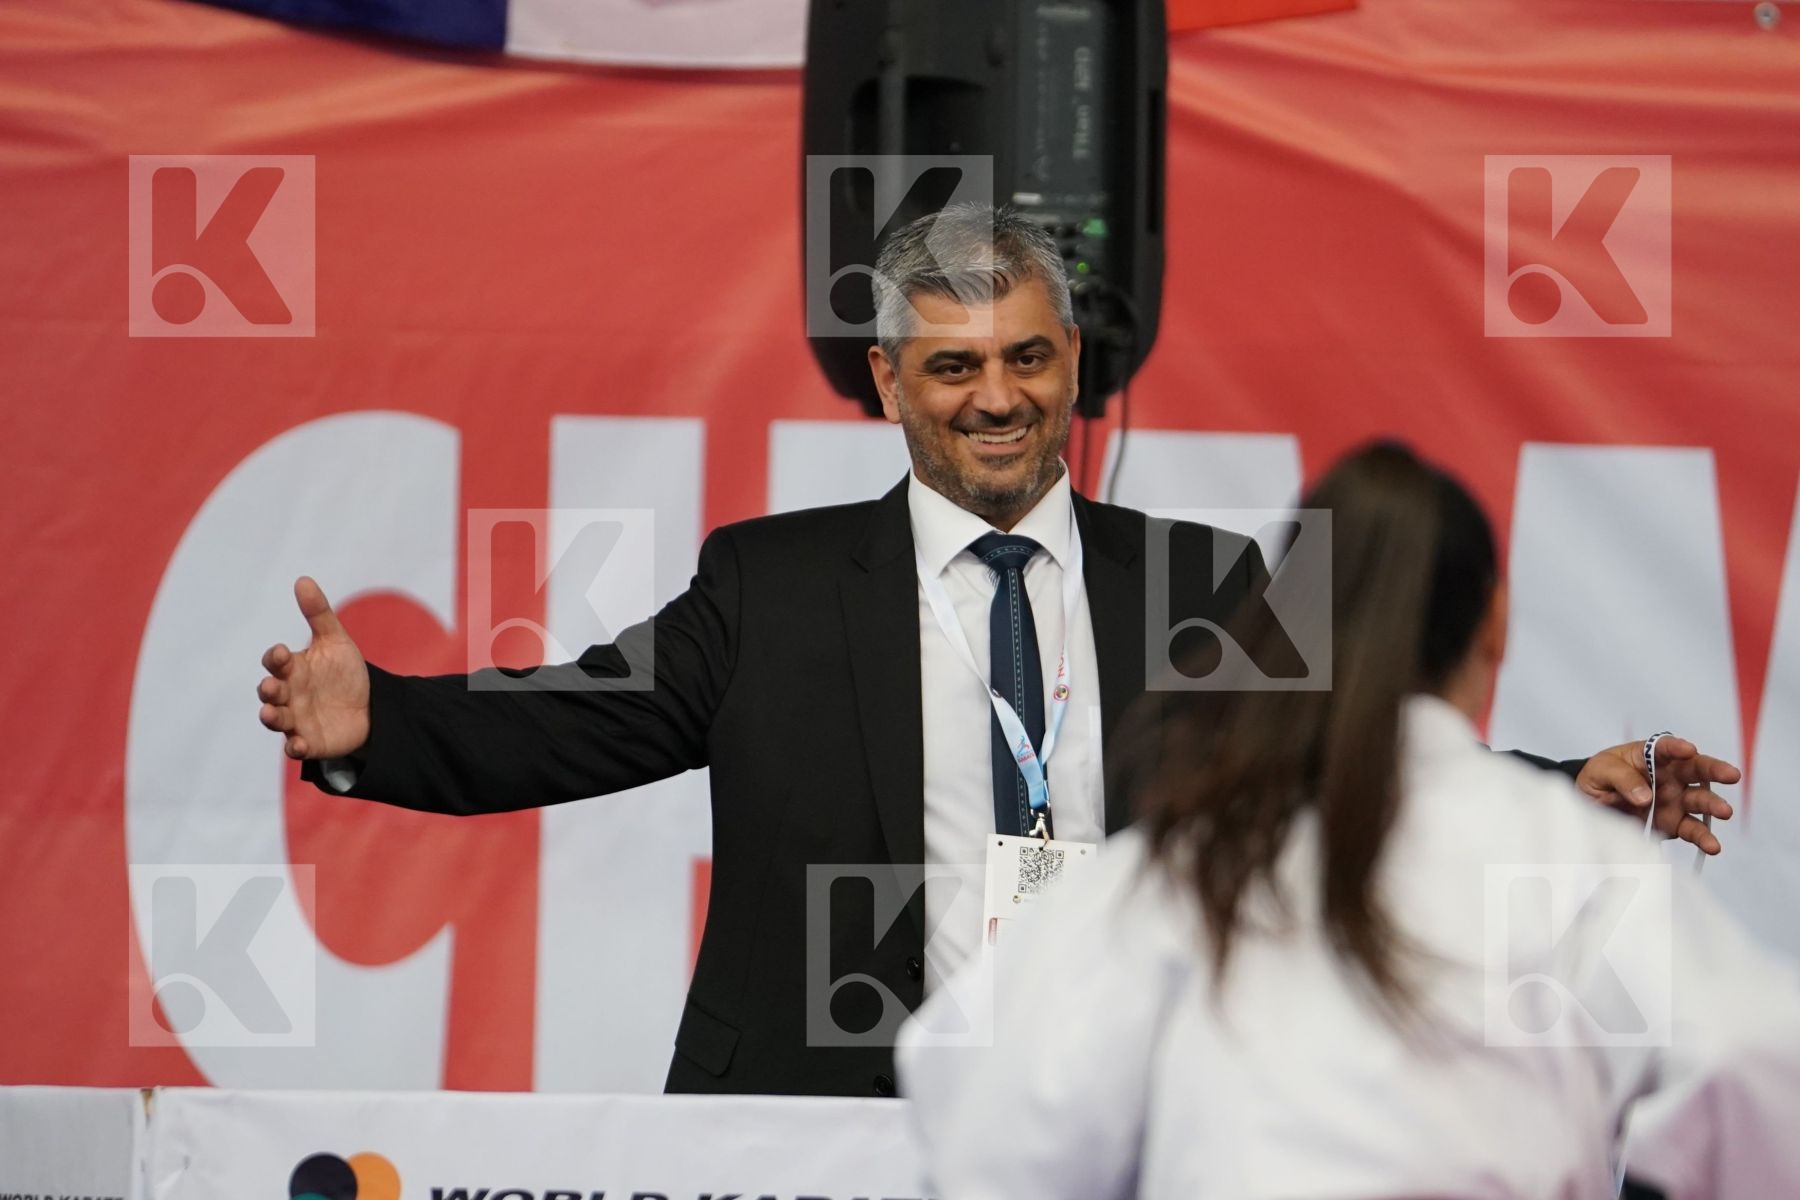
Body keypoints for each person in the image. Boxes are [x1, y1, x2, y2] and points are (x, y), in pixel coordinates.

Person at [256, 204, 1737, 1098]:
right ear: (889, 382)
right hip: (817, 1120)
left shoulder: (1200, 582)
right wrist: (374, 719)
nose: (998, 398)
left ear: (1074, 365)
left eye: (1029, 357)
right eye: (954, 367)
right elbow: (580, 720)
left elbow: (1354, 760)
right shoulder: (770, 587)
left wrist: (1564, 783)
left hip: (1120, 1117)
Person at [897, 442, 1800, 1198]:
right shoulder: (1568, 863)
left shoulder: (1177, 869)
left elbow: (986, 1122)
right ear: (1495, 623)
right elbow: (1758, 1062)